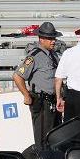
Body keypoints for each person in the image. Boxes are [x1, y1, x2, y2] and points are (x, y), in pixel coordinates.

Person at [12, 21, 64, 149]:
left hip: (53, 101)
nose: (53, 41)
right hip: (41, 102)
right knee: (42, 137)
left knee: (55, 136)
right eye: (50, 38)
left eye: (54, 38)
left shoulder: (54, 55)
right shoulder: (34, 57)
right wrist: (26, 95)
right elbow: (17, 76)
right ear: (41, 39)